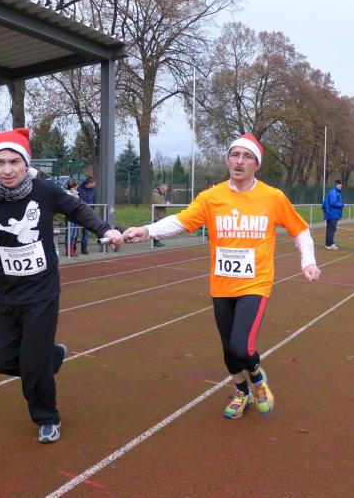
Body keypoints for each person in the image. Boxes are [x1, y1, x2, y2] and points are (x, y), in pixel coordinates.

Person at [0, 127, 122, 444]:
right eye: (0, 163)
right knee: (1, 361)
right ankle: (52, 358)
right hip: (5, 295)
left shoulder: (45, 191)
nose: (7, 169)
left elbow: (77, 209)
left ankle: (47, 417)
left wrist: (104, 230)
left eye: (14, 162)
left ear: (26, 163)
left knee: (33, 365)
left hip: (42, 292)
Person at [123, 133, 320, 419]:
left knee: (242, 346)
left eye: (247, 156)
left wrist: (308, 262)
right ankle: (241, 392)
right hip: (222, 285)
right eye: (234, 155)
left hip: (255, 284)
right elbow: (180, 221)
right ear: (228, 160)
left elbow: (300, 230)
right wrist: (147, 230)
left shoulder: (272, 197)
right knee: (228, 351)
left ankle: (257, 378)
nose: (239, 161)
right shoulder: (212, 198)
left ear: (256, 164)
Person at [321, 178, 344, 250]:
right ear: (337, 185)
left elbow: (325, 203)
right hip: (333, 213)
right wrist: (342, 204)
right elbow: (333, 202)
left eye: (341, 184)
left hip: (332, 213)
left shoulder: (334, 191)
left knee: (330, 229)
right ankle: (330, 244)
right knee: (331, 229)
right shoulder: (334, 192)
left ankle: (329, 243)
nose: (341, 186)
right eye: (340, 184)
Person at [78, 176, 97, 254]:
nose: (95, 184)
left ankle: (84, 248)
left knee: (86, 232)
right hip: (79, 212)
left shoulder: (94, 190)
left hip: (89, 213)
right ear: (89, 183)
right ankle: (72, 249)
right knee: (75, 232)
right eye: (94, 183)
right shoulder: (79, 189)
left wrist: (92, 209)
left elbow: (94, 200)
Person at [65, 178, 80, 257]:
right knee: (70, 234)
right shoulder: (66, 193)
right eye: (77, 184)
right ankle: (68, 251)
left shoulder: (76, 193)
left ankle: (72, 250)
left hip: (77, 216)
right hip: (70, 216)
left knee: (74, 234)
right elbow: (70, 203)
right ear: (73, 185)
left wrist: (75, 194)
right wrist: (74, 195)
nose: (78, 185)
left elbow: (78, 203)